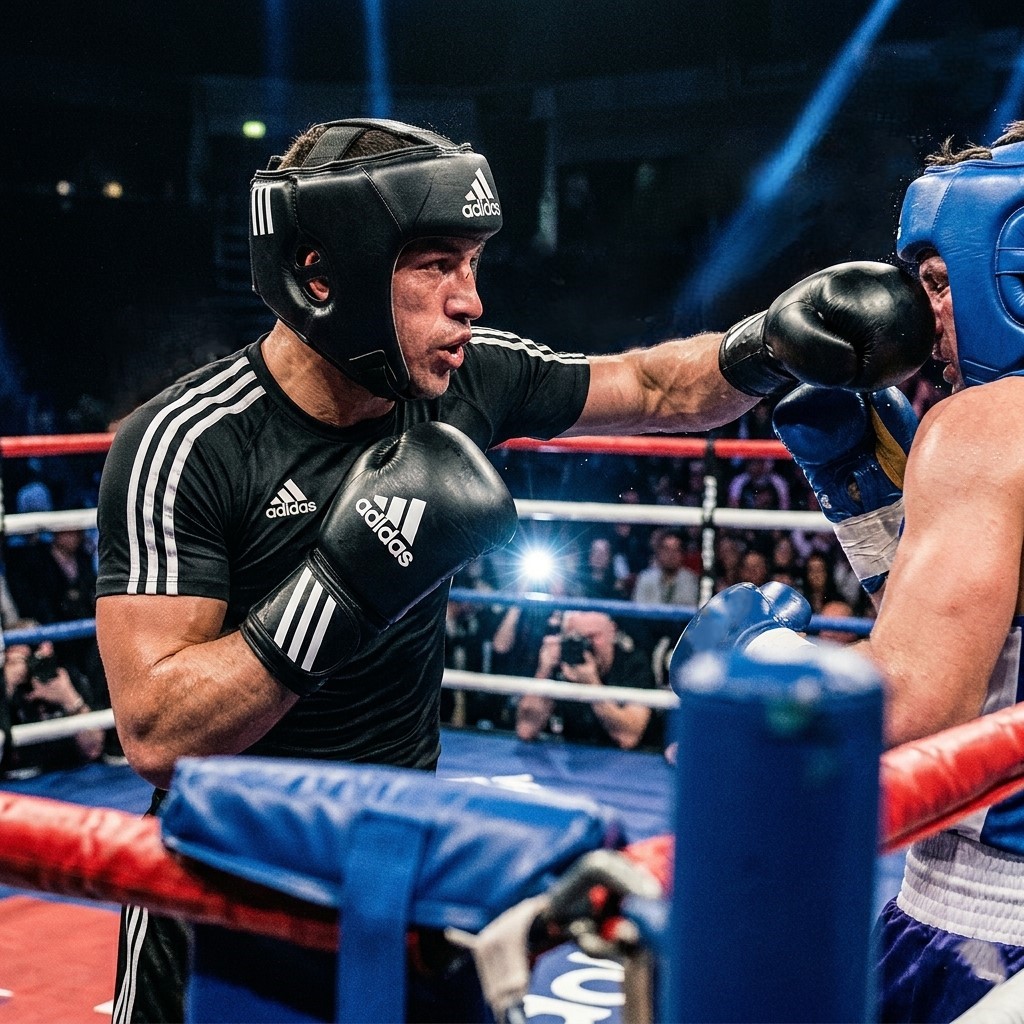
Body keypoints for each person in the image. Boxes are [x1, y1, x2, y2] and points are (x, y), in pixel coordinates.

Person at [93, 117, 931, 1021]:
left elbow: (654, 387)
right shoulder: (183, 443)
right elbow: (158, 734)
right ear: (322, 273)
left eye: (473, 265)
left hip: (396, 851)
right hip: (224, 877)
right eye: (435, 265)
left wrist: (767, 343)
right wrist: (339, 587)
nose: (470, 301)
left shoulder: (465, 381)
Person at [770, 121, 1024, 1021]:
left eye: (940, 281)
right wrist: (862, 497)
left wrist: (761, 672)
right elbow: (994, 648)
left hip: (990, 919)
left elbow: (917, 705)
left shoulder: (990, 423)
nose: (924, 318)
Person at [515, 610, 661, 750]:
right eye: (577, 637)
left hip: (628, 764)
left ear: (612, 632)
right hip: (574, 758)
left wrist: (592, 685)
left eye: (593, 637)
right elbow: (526, 730)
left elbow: (628, 738)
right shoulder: (561, 661)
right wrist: (543, 672)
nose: (586, 645)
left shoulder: (633, 663)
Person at [1, 634, 104, 778]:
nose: (32, 662)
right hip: (20, 783)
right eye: (23, 658)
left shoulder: (62, 676)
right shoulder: (7, 687)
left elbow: (93, 749)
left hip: (77, 777)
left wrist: (70, 700)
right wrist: (7, 689)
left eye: (35, 651)